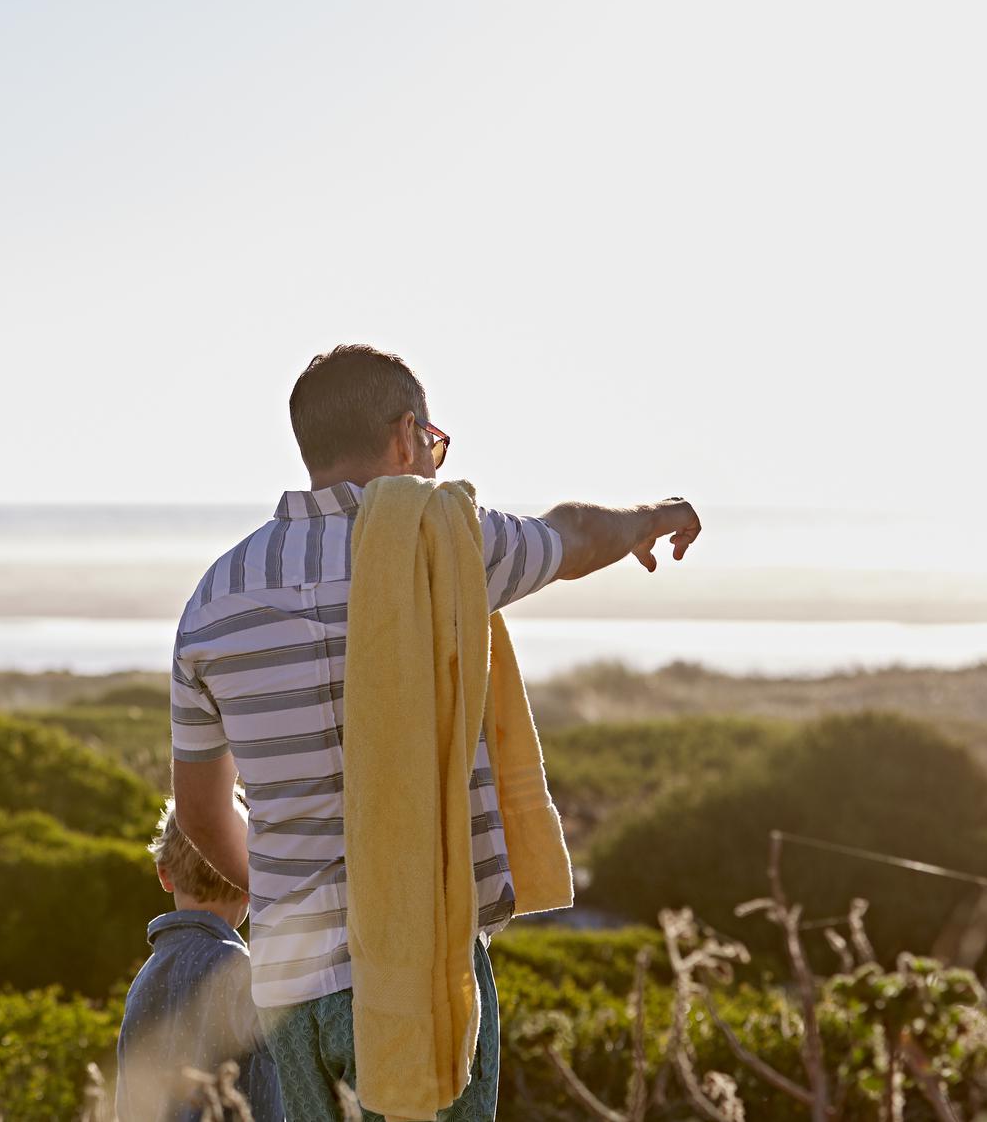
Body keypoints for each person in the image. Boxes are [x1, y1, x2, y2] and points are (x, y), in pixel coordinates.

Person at [169, 345, 701, 1121]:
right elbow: (576, 533)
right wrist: (653, 518)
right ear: (405, 435)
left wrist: (298, 892)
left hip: (285, 980)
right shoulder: (443, 546)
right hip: (420, 967)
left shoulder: (211, 601)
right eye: (432, 443)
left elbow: (201, 816)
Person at [116, 800, 283, 1122]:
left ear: (164, 875)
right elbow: (295, 1052)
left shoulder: (143, 981)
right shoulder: (237, 971)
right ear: (252, 881)